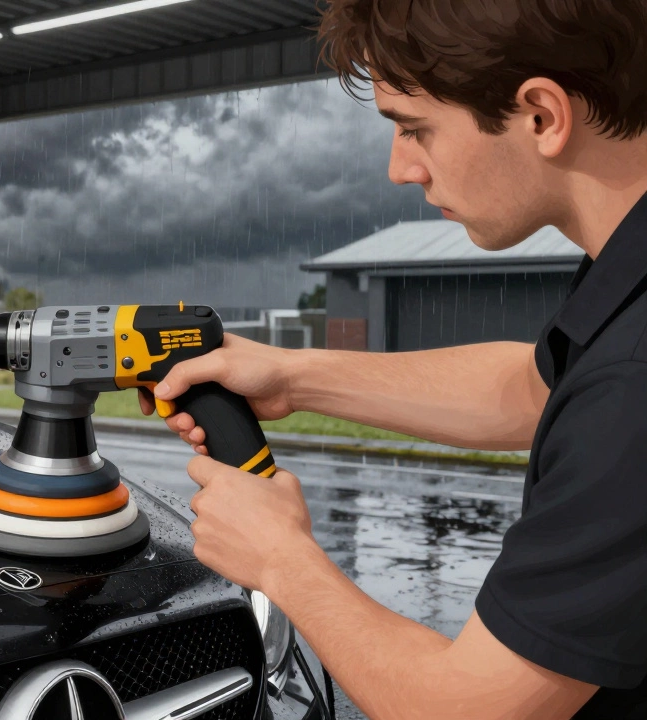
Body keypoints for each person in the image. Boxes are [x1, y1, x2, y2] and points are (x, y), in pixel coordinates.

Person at [138, 1, 647, 717]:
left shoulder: (633, 378)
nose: (399, 167)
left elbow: (468, 708)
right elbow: (540, 391)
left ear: (541, 114)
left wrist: (282, 560)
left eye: (415, 128)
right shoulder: (624, 288)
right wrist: (292, 375)